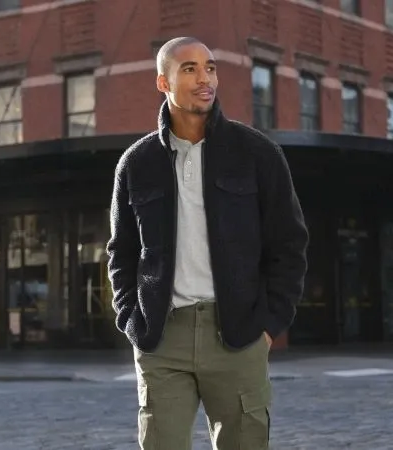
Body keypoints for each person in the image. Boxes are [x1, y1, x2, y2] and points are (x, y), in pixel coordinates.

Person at [106, 36, 309, 450]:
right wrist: (132, 319)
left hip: (237, 334)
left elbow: (288, 245)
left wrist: (268, 326)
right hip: (163, 338)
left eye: (210, 67)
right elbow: (121, 252)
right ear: (163, 83)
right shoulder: (136, 163)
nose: (205, 79)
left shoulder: (257, 154)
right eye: (190, 69)